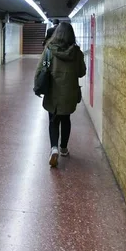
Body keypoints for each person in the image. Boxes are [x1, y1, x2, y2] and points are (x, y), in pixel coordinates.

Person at [34, 22, 86, 167]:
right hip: (69, 93)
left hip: (53, 92)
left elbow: (40, 70)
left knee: (53, 120)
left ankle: (54, 149)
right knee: (66, 119)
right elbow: (82, 72)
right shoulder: (76, 52)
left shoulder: (49, 50)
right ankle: (63, 148)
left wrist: (37, 87)